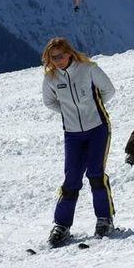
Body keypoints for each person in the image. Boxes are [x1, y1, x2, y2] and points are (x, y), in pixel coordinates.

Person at [41, 37, 116, 248]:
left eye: (61, 55)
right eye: (53, 58)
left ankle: (104, 219)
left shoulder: (88, 68)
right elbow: (49, 102)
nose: (58, 61)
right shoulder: (51, 77)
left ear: (69, 53)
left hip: (98, 129)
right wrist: (68, 112)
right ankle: (61, 226)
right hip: (72, 134)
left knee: (95, 174)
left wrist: (93, 107)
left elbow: (109, 90)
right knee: (71, 178)